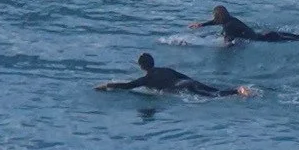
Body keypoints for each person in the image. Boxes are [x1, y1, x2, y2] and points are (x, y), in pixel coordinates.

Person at [95, 53, 252, 98]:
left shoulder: (146, 79)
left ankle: (238, 92)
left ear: (141, 66)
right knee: (215, 91)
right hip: (188, 82)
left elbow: (127, 86)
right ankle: (238, 90)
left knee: (211, 97)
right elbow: (184, 76)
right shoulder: (165, 69)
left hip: (182, 88)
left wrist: (107, 85)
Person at [191, 5, 299, 43]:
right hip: (268, 35)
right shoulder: (230, 20)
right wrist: (201, 25)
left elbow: (228, 42)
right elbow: (217, 22)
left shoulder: (228, 26)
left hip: (269, 38)